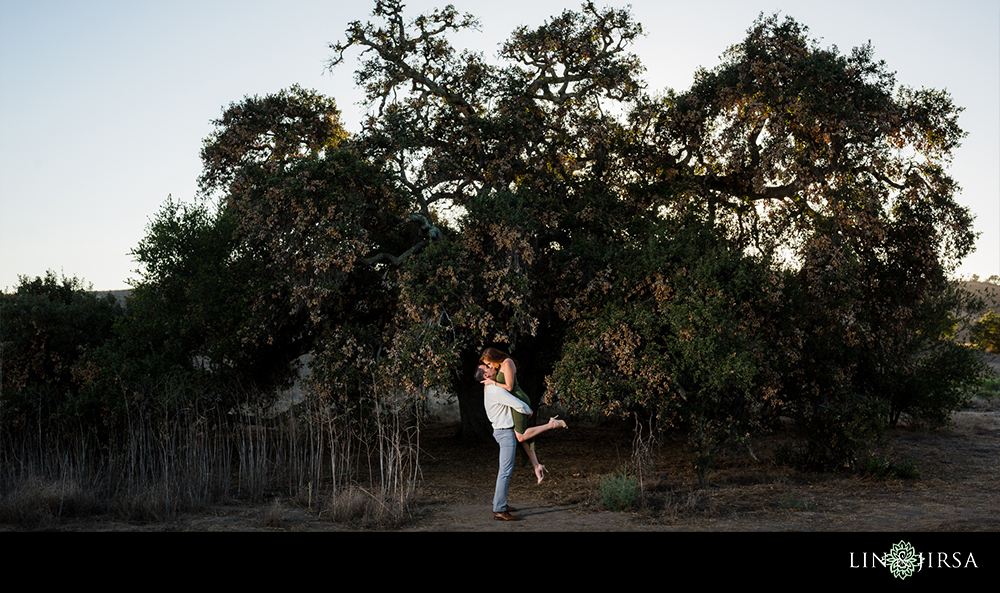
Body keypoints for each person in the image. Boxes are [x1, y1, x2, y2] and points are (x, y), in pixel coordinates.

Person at [479, 347, 568, 484]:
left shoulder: (507, 362)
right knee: (519, 435)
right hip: (513, 403)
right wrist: (490, 384)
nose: (490, 366)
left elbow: (509, 387)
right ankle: (537, 466)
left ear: (494, 357)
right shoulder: (500, 366)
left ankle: (552, 424)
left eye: (489, 363)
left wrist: (493, 383)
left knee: (520, 436)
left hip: (518, 401)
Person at [479, 364, 533, 521]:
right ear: (485, 376)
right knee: (505, 471)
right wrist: (528, 410)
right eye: (488, 367)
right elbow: (517, 403)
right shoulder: (495, 390)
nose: (492, 367)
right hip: (505, 433)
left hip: (501, 431)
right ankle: (500, 510)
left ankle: (500, 503)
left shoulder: (491, 389)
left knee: (504, 470)